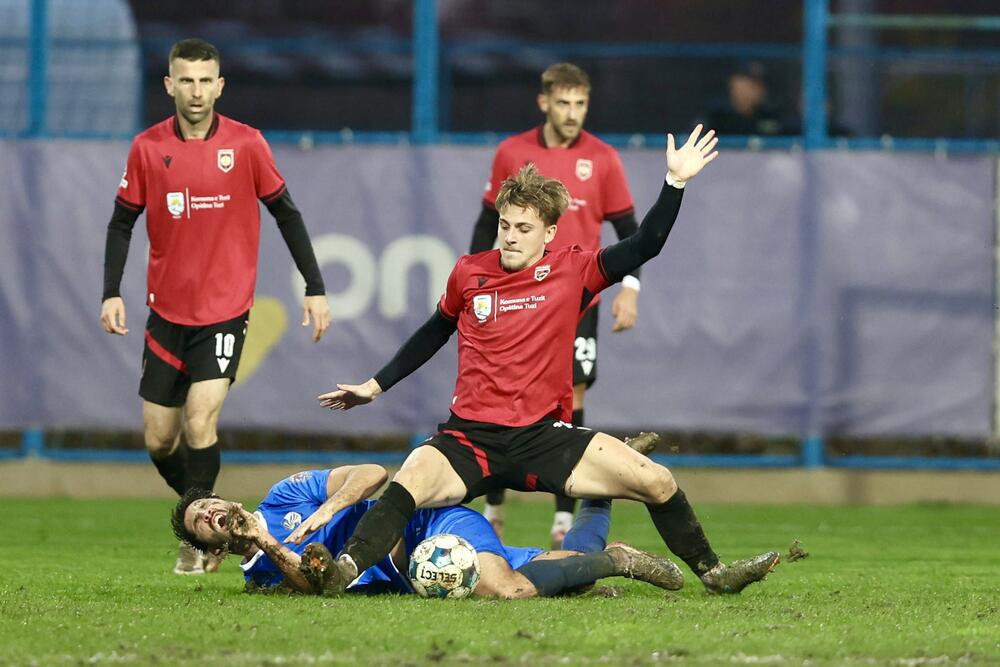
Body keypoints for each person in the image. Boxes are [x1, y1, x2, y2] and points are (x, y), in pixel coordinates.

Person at [315, 125, 780, 596]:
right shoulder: (469, 273)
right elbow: (436, 329)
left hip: (541, 438)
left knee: (657, 481)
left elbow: (645, 245)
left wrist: (674, 183)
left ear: (549, 232)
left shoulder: (573, 270)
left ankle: (715, 574)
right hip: (469, 439)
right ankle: (340, 573)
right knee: (410, 476)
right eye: (504, 226)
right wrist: (375, 386)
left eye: (523, 228)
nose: (510, 238)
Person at [100, 38, 332, 575]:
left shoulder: (247, 145)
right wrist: (111, 290)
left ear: (220, 85)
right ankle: (218, 519)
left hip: (225, 312)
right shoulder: (146, 148)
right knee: (160, 439)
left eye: (206, 80)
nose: (197, 90)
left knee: (200, 420)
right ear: (169, 85)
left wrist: (314, 285)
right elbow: (121, 222)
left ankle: (200, 539)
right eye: (187, 80)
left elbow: (287, 215)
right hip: (166, 315)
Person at [468, 63, 643, 546]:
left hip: (574, 305)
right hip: (513, 302)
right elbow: (488, 225)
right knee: (500, 393)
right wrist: (477, 280)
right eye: (563, 103)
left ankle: (563, 521)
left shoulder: (603, 159)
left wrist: (630, 287)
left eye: (580, 103)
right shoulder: (513, 151)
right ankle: (495, 500)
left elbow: (632, 236)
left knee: (573, 398)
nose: (572, 113)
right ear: (544, 102)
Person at [172, 463, 685, 598]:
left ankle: (621, 559)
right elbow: (316, 584)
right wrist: (265, 542)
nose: (213, 514)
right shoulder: (260, 576)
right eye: (204, 524)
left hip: (425, 524)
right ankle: (599, 498)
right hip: (413, 571)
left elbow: (372, 474)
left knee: (503, 590)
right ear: (211, 551)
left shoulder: (285, 496)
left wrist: (329, 508)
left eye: (210, 505)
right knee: (571, 581)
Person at [703, 61, 785, 137]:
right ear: (733, 84)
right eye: (750, 84)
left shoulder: (770, 115)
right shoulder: (716, 116)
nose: (755, 90)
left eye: (759, 84)